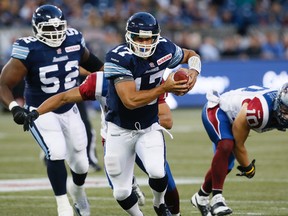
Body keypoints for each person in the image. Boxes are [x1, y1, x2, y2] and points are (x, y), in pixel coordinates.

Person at [23, 72, 182, 215]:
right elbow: (64, 97)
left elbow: (167, 120)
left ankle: (170, 211)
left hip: (144, 133)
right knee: (120, 193)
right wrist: (37, 112)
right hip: (116, 137)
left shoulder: (150, 77)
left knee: (162, 175)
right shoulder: (100, 82)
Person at [0, 4, 104, 216]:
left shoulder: (74, 39)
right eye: (49, 29)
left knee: (82, 164)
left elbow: (94, 64)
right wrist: (14, 108)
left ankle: (78, 191)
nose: (56, 34)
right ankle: (62, 204)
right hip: (40, 110)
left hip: (70, 107)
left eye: (59, 28)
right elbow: (3, 84)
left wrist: (119, 76)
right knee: (55, 152)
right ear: (37, 29)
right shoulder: (28, 49)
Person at [103, 12, 200, 216]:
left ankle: (159, 203)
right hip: (119, 129)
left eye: (149, 38)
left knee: (157, 171)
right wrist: (165, 87)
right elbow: (130, 100)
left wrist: (194, 73)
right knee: (121, 193)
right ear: (129, 36)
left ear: (156, 37)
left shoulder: (164, 48)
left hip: (148, 126)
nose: (145, 43)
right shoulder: (117, 57)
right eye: (139, 38)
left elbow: (191, 54)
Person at [191, 84, 288, 216]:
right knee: (226, 145)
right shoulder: (259, 111)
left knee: (226, 166)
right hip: (219, 110)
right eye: (285, 109)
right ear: (278, 102)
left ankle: (201, 197)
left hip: (236, 119)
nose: (286, 115)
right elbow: (238, 144)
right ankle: (217, 199)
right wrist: (248, 167)